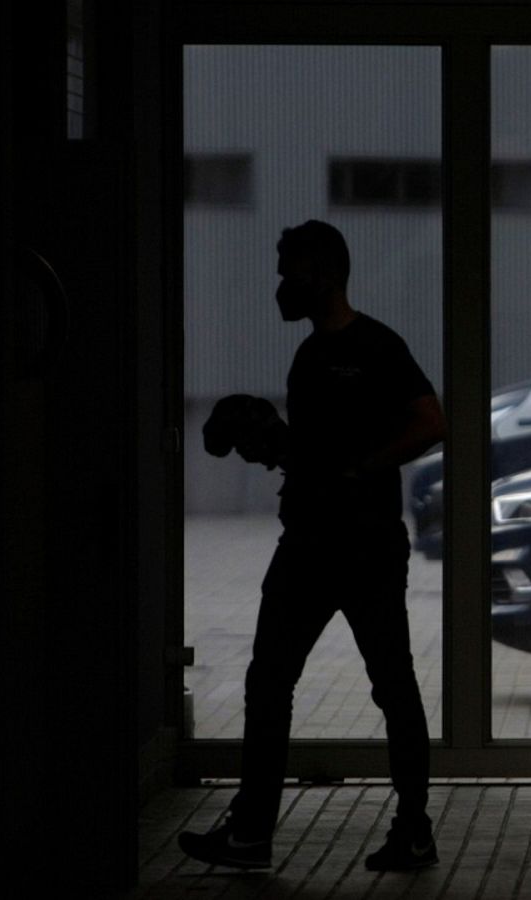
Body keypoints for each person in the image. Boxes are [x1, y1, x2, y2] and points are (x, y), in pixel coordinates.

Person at [180, 220, 447, 872]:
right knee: (270, 682)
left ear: (321, 273)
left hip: (365, 546)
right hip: (307, 543)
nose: (279, 285)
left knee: (391, 687)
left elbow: (431, 422)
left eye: (287, 270)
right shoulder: (306, 359)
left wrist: (364, 467)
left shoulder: (378, 346)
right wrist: (273, 448)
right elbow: (315, 456)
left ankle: (411, 830)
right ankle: (250, 835)